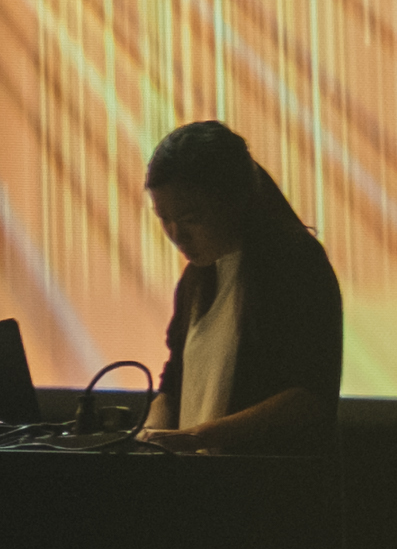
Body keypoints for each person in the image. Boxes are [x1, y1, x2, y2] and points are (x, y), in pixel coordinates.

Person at [137, 120, 342, 455]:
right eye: (164, 218)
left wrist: (202, 436)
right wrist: (149, 435)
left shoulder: (295, 263)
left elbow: (308, 396)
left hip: (265, 481)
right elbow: (173, 384)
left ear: (235, 200)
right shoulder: (196, 277)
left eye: (191, 219)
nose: (176, 235)